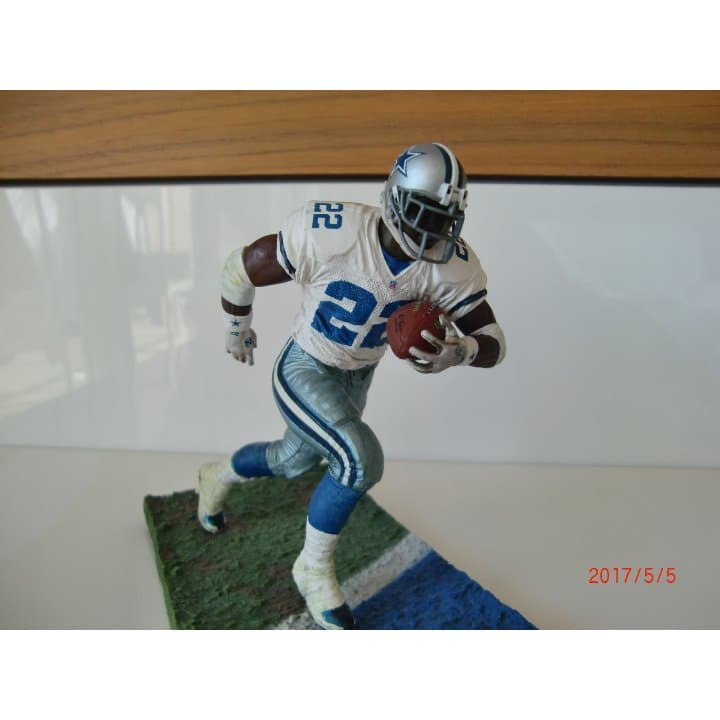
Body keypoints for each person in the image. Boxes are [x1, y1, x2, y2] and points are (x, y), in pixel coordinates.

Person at [196, 142, 506, 630]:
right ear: (395, 199)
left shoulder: (450, 268)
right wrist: (237, 327)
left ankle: (216, 475)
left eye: (444, 220)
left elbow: (494, 341)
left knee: (291, 460)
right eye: (424, 215)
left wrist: (459, 351)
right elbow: (239, 267)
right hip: (304, 366)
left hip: (357, 376)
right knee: (360, 459)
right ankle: (312, 567)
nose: (433, 234)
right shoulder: (332, 234)